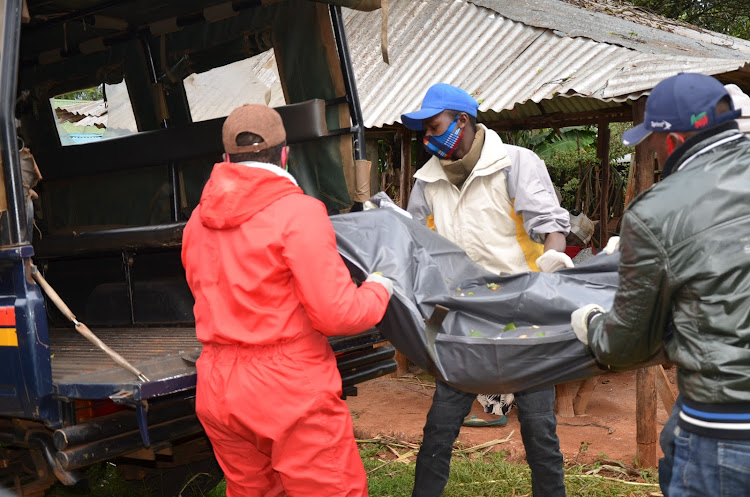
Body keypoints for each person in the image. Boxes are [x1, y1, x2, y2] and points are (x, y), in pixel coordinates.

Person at [181, 104, 394, 497]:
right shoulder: (299, 213)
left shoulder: (197, 221)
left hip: (216, 386)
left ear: (226, 159)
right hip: (287, 388)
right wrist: (380, 286)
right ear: (284, 154)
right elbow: (338, 315)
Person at [570, 73, 750, 497]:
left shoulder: (658, 211)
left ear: (671, 141)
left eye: (651, 141)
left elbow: (627, 344)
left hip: (727, 429)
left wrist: (593, 324)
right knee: (673, 440)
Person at [402, 83, 570, 497]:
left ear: (462, 120)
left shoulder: (514, 163)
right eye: (422, 131)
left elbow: (549, 224)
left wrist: (554, 257)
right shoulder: (428, 179)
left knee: (538, 427)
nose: (427, 138)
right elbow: (412, 240)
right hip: (465, 316)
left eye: (434, 126)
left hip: (524, 315)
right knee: (440, 425)